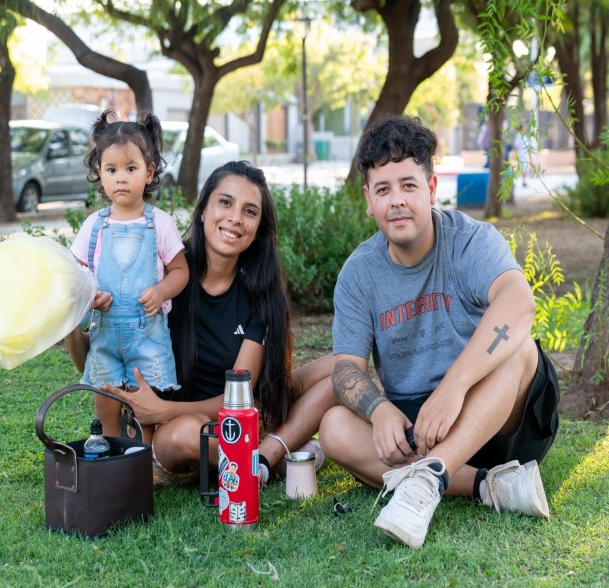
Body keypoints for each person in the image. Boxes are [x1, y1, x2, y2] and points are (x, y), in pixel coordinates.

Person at [319, 115, 560, 549]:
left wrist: (454, 387)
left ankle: (424, 481)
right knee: (335, 426)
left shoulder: (470, 240)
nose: (396, 201)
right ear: (368, 201)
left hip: (498, 418)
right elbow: (345, 370)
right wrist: (380, 411)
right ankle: (489, 486)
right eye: (383, 189)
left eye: (408, 185)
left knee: (520, 348)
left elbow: (519, 304)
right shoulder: (358, 273)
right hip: (420, 427)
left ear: (431, 189)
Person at [68, 161, 335, 485]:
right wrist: (71, 314)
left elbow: (239, 397)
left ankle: (264, 454)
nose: (235, 218)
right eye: (225, 202)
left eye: (250, 211)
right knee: (186, 431)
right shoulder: (162, 274)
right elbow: (95, 363)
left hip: (231, 414)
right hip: (170, 435)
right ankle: (270, 456)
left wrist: (161, 410)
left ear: (258, 229)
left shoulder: (260, 293)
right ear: (204, 210)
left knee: (343, 367)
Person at [68, 110, 189, 443]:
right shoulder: (94, 225)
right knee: (106, 401)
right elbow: (75, 274)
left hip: (146, 339)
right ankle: (111, 452)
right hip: (105, 337)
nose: (121, 178)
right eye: (112, 170)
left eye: (130, 168)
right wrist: (89, 295)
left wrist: (163, 290)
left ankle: (147, 459)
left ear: (149, 173)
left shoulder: (159, 223)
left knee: (144, 407)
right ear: (99, 174)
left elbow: (181, 271)